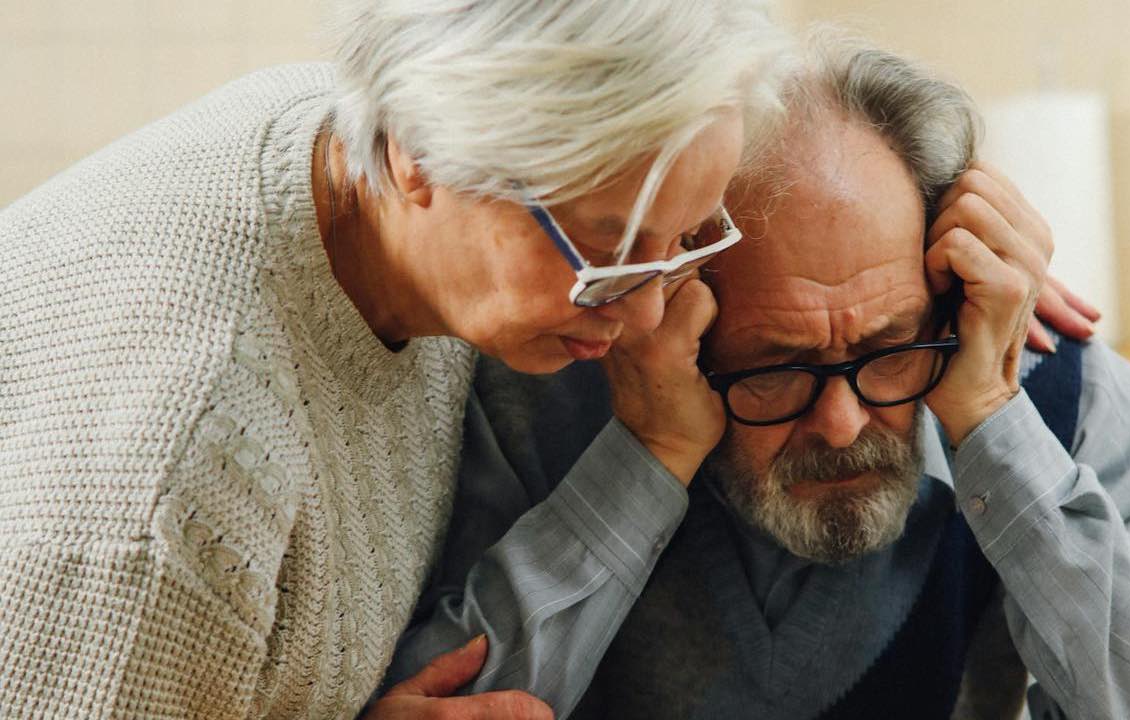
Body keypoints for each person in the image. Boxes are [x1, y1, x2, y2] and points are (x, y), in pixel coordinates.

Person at [385, 31, 1130, 719]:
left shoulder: (1051, 392)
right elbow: (437, 701)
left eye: (889, 347)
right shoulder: (544, 384)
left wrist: (996, 433)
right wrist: (646, 458)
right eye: (776, 367)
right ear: (676, 305)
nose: (845, 423)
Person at [0, 2, 795, 718]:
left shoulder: (335, 150)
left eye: (686, 236)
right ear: (419, 149)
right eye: (607, 245)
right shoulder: (181, 491)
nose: (647, 312)